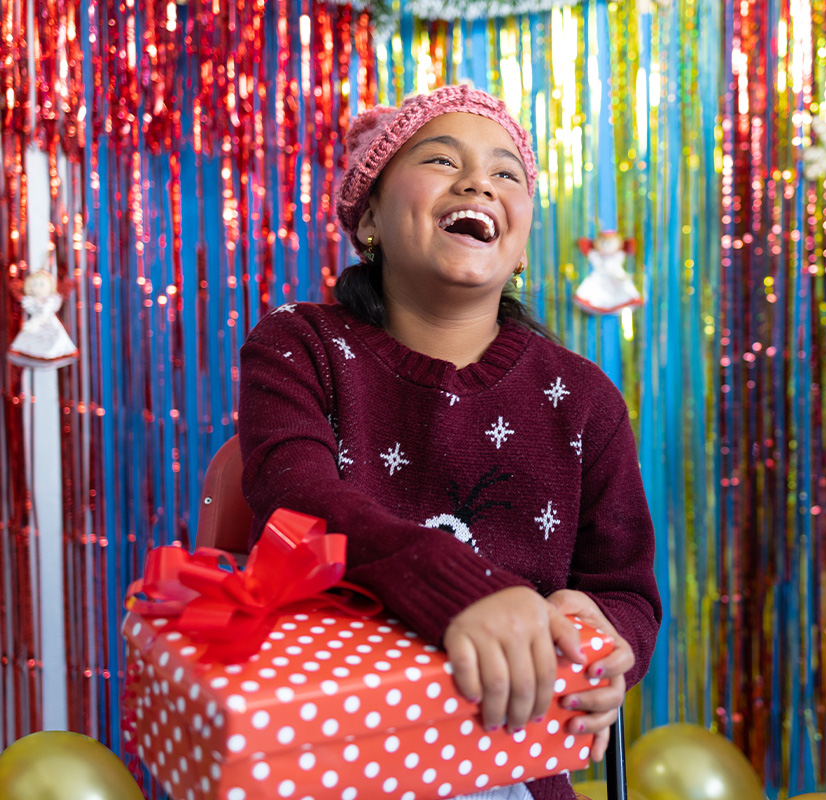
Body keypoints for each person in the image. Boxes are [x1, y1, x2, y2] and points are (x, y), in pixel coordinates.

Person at [236, 84, 661, 800]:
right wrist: (462, 588)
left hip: (508, 757)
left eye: (507, 174)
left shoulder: (584, 401)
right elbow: (295, 499)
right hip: (323, 748)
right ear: (368, 214)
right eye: (441, 159)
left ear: (522, 239)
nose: (478, 183)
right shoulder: (299, 346)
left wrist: (607, 634)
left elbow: (625, 591)